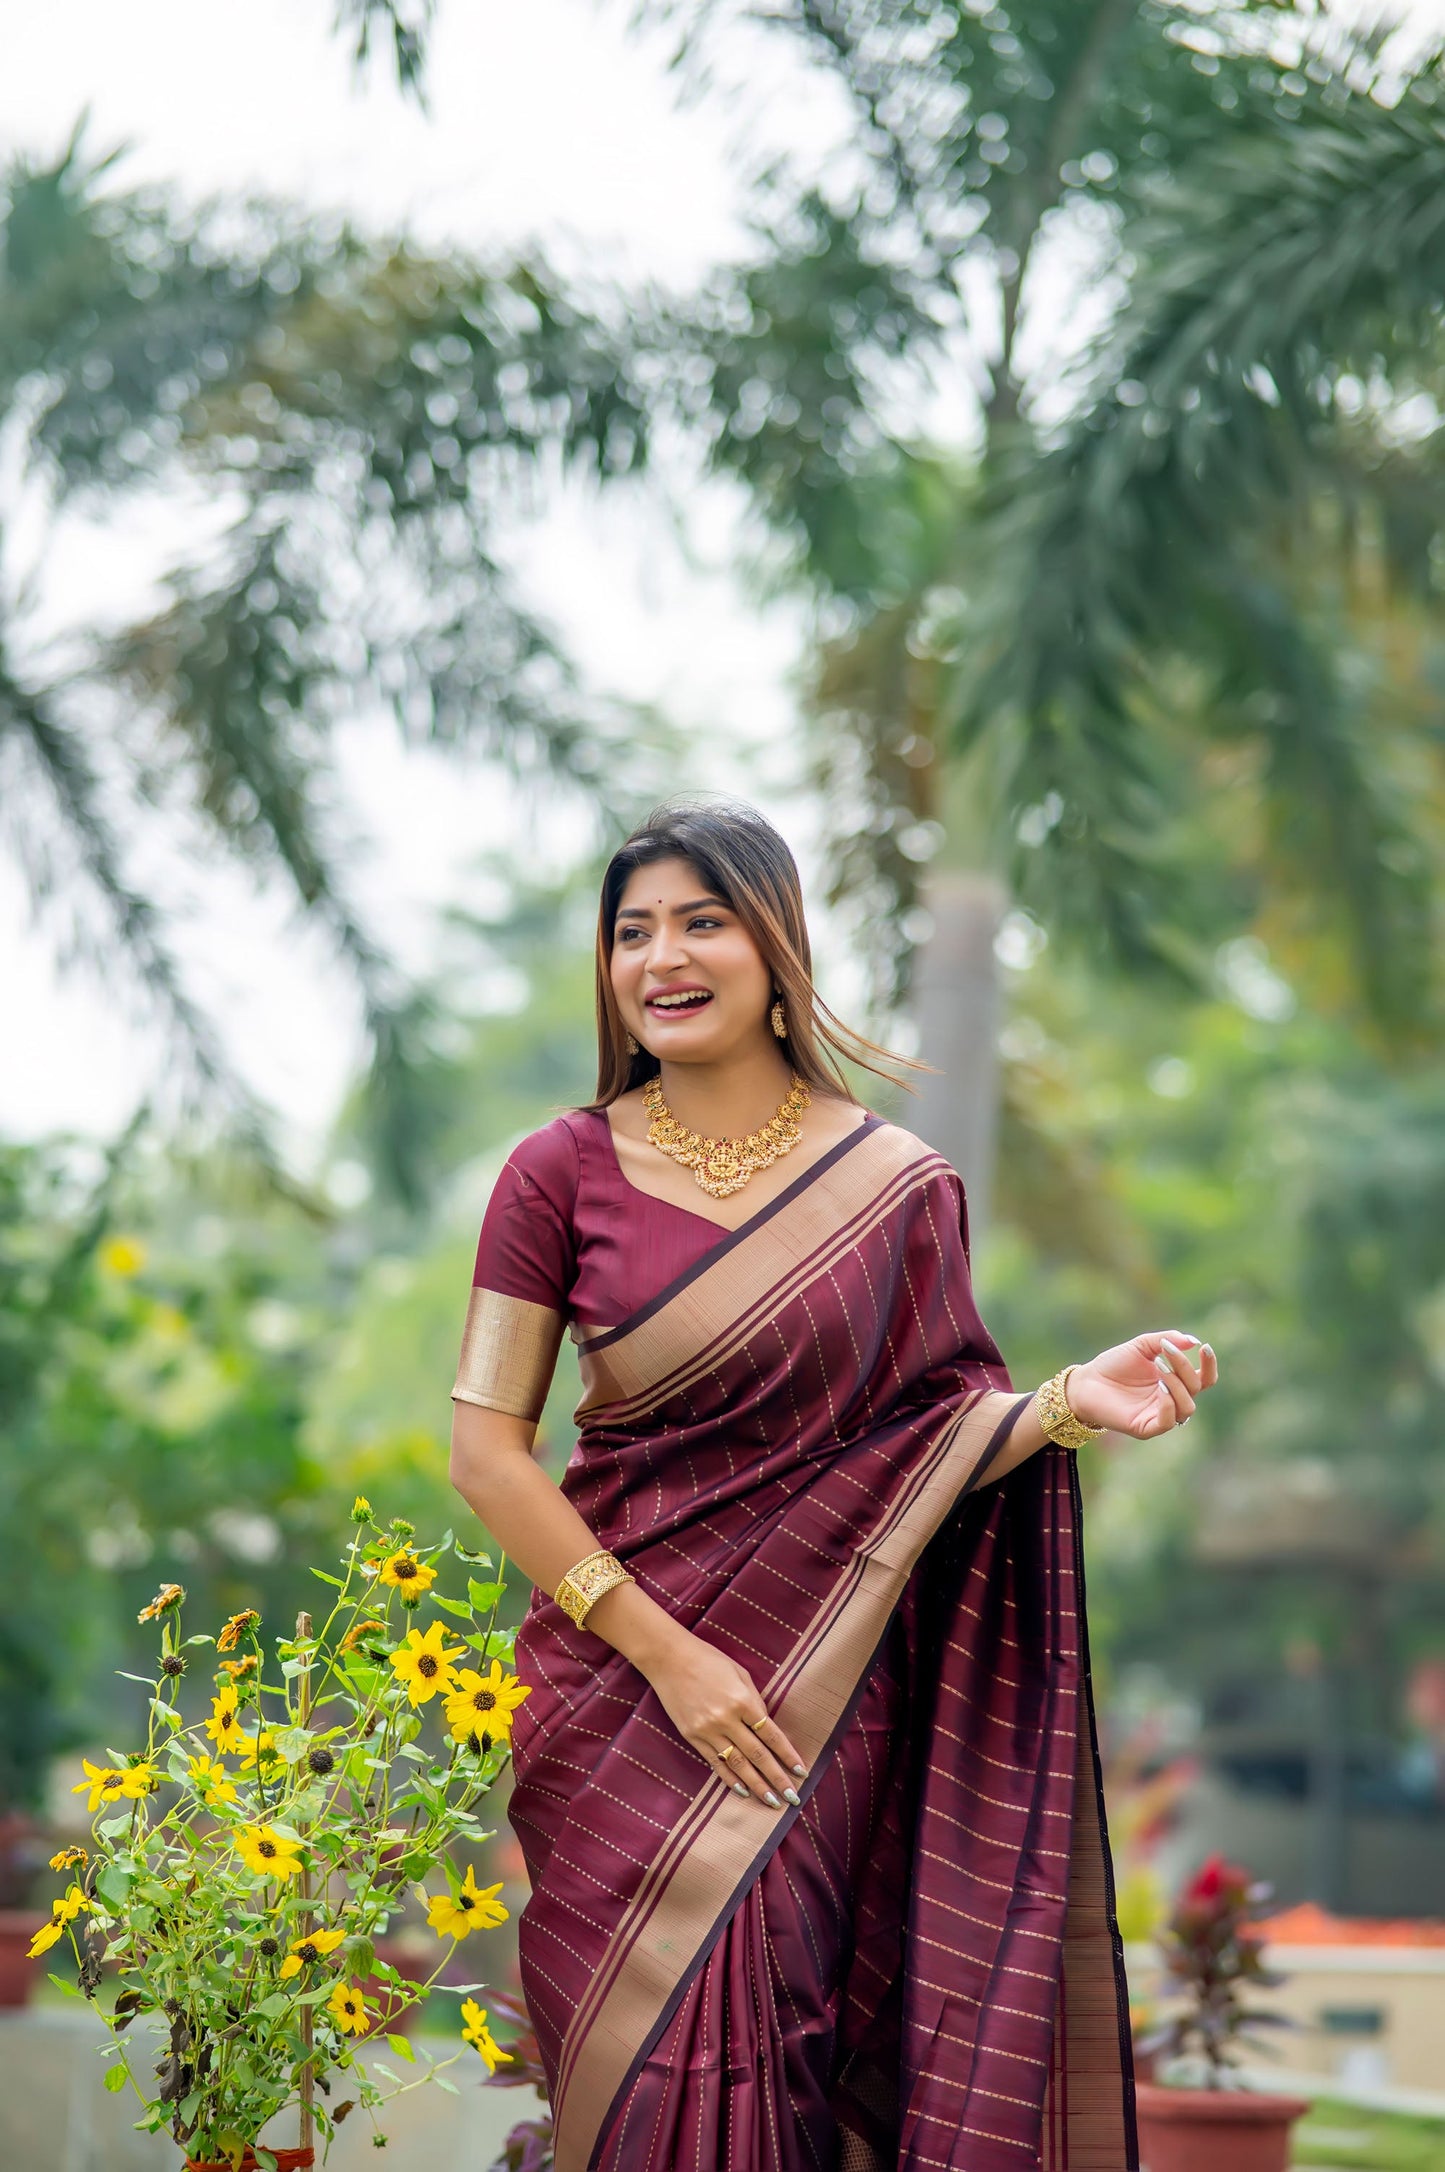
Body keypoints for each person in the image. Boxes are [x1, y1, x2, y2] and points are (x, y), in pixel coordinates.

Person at [449, 798, 1216, 2172]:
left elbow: (919, 1444)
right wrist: (664, 1655)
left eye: (700, 921)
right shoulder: (555, 1174)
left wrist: (1053, 1407)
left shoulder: (894, 1188)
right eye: (631, 932)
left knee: (782, 2057)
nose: (660, 958)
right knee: (625, 2087)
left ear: (775, 944)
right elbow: (485, 1454)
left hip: (815, 1699)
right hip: (615, 1694)